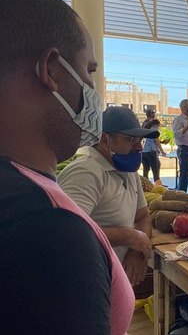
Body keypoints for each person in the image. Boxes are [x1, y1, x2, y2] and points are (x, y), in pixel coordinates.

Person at [0, 0, 138, 335]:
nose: (93, 92)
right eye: (89, 71)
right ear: (52, 70)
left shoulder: (24, 191)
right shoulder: (49, 231)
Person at [58, 105, 156, 286]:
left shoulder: (129, 172)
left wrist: (136, 251)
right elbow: (69, 234)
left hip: (115, 282)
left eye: (140, 140)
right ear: (105, 139)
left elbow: (142, 216)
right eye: (131, 139)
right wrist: (127, 236)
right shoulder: (86, 173)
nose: (139, 147)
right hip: (85, 282)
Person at [173, 99, 188, 192]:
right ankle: (181, 194)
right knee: (184, 174)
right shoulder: (179, 119)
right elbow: (176, 134)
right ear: (183, 107)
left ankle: (183, 192)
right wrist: (187, 126)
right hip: (184, 149)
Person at [141, 109, 166, 182]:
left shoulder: (144, 124)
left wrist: (161, 142)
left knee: (146, 169)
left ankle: (145, 186)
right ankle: (157, 185)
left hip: (144, 150)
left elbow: (148, 138)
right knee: (156, 168)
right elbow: (155, 139)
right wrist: (162, 151)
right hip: (151, 150)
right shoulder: (153, 125)